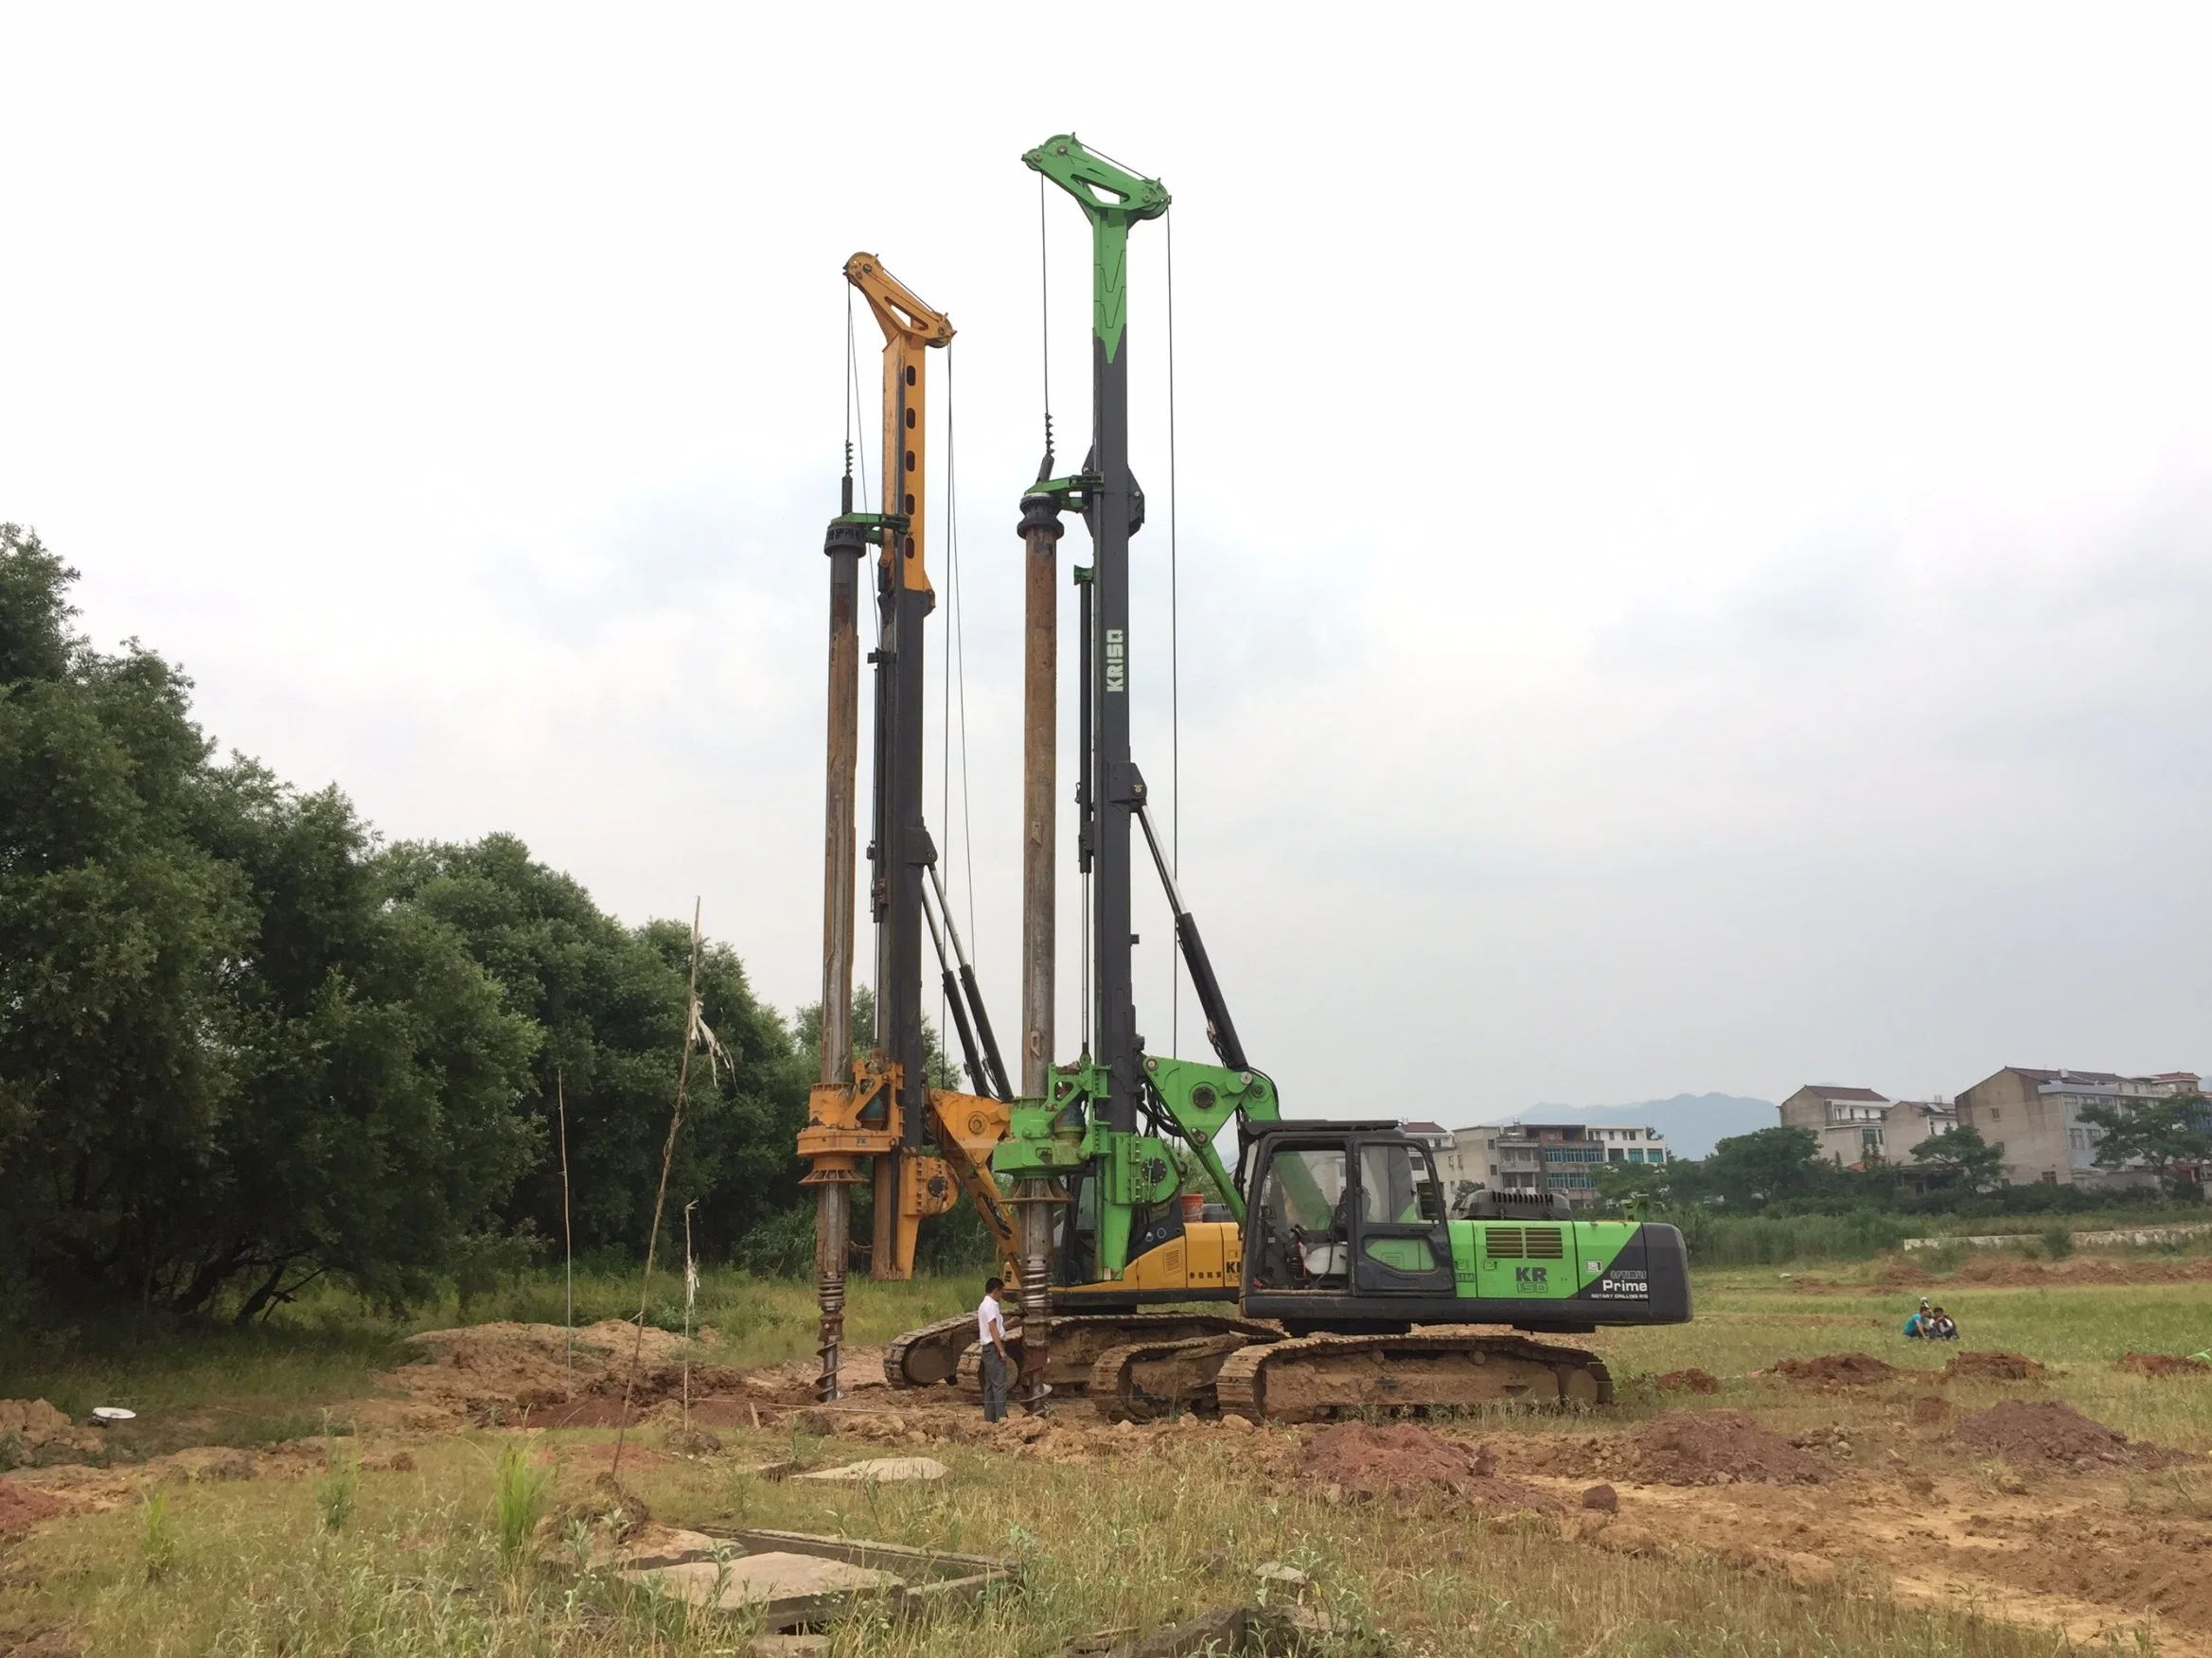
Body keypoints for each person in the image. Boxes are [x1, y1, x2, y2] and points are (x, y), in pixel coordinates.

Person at [977, 1276, 1012, 1422]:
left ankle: (989, 1418)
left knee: (990, 1385)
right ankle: (1001, 1417)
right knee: (999, 1384)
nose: (1002, 1295)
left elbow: (996, 1327)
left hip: (988, 1348)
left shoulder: (984, 1305)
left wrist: (1009, 1323)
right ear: (996, 1291)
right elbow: (992, 1328)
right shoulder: (991, 1305)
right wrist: (1001, 1350)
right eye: (1001, 1292)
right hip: (993, 1348)